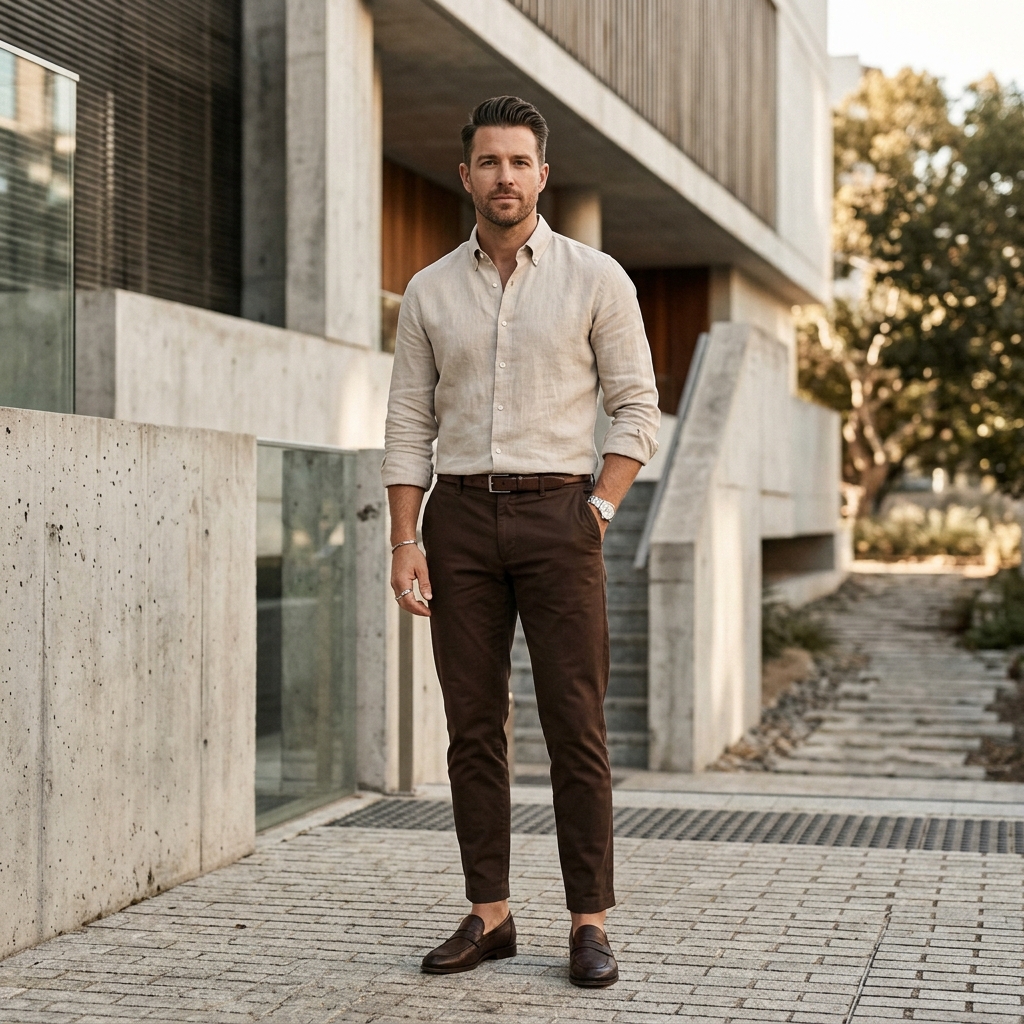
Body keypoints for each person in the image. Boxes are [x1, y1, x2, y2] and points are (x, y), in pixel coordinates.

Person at [382, 95, 660, 988]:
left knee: (576, 726)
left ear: (544, 173)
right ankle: (490, 914)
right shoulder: (428, 290)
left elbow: (637, 408)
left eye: (520, 162)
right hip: (456, 521)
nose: (504, 176)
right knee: (473, 728)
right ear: (465, 175)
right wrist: (404, 538)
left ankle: (590, 922)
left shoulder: (596, 278)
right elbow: (406, 423)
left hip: (560, 518)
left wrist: (599, 510)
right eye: (488, 162)